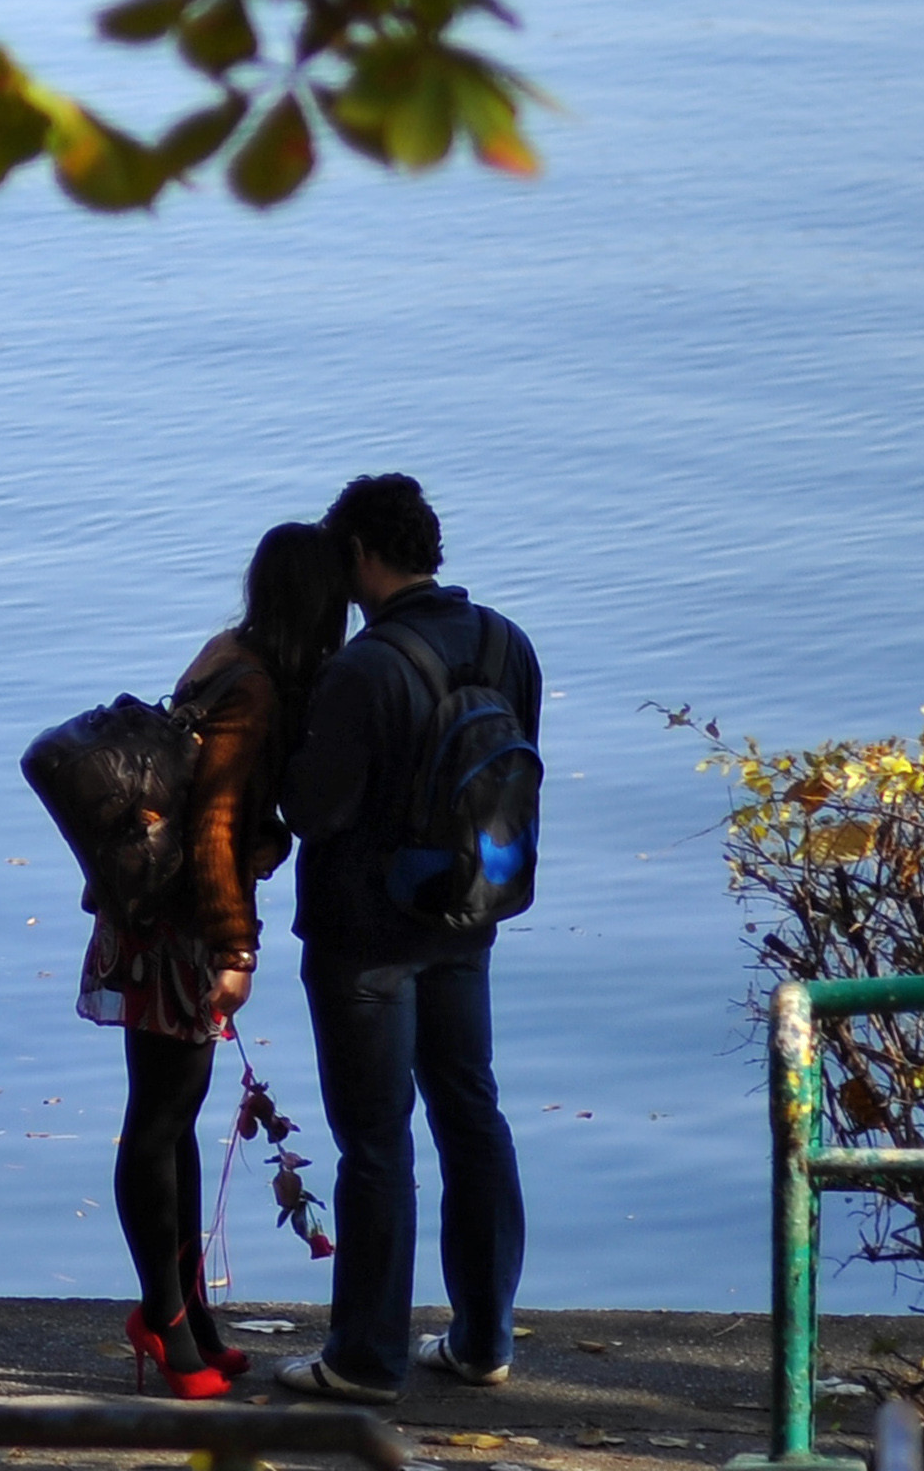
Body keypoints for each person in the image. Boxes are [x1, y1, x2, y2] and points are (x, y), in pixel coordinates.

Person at [276, 472, 539, 1406]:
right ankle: (481, 1339)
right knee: (473, 1115)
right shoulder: (509, 643)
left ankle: (366, 1360)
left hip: (367, 944)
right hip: (469, 919)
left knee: (377, 1145)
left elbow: (315, 809)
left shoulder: (365, 669)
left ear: (358, 556)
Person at [80, 520, 352, 1398]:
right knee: (159, 1121)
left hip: (150, 914)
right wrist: (236, 948)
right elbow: (218, 827)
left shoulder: (224, 650)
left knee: (176, 1111)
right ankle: (162, 1317)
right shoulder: (259, 689)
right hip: (186, 929)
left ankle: (186, 1310)